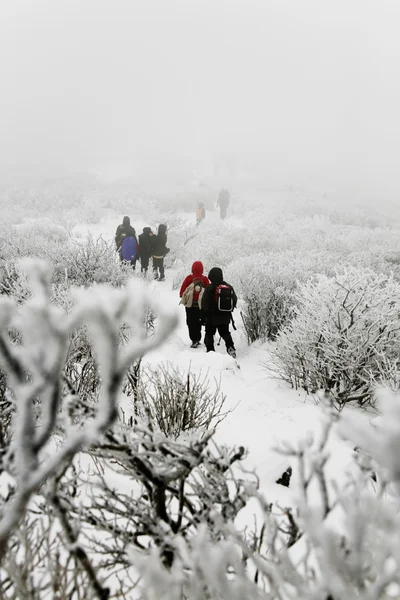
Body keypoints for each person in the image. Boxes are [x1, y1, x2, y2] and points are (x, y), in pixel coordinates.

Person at [201, 267, 237, 357]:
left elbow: (204, 303)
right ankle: (230, 347)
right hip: (225, 316)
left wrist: (203, 315)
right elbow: (234, 299)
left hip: (211, 317)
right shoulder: (228, 287)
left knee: (209, 333)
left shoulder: (209, 288)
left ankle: (210, 351)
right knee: (225, 333)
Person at [179, 261, 210, 348]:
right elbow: (208, 292)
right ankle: (198, 338)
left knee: (191, 322)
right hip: (201, 306)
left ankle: (194, 340)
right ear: (202, 269)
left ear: (192, 268)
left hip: (190, 306)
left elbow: (182, 292)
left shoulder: (189, 278)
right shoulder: (204, 279)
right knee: (199, 322)